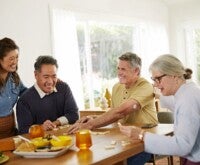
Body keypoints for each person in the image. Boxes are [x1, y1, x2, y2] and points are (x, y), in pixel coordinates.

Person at [68, 52, 158, 165]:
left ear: (136, 71)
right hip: (123, 138)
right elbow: (114, 114)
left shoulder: (146, 86)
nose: (119, 72)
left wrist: (88, 125)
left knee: (118, 162)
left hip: (144, 141)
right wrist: (94, 118)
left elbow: (121, 112)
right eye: (118, 68)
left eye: (124, 69)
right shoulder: (116, 87)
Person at [119, 54, 200, 165]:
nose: (155, 85)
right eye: (153, 80)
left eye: (158, 79)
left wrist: (141, 135)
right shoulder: (188, 91)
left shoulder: (188, 99)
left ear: (174, 76)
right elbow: (175, 103)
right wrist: (159, 95)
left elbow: (182, 145)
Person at [16, 55, 79, 134]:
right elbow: (23, 130)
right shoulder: (24, 100)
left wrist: (55, 123)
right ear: (36, 75)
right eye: (46, 77)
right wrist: (41, 127)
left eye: (54, 76)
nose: (50, 81)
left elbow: (74, 115)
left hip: (66, 138)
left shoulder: (63, 88)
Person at [0, 37, 27, 139]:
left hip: (11, 134)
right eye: (11, 58)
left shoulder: (14, 78)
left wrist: (44, 83)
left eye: (16, 57)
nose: (15, 61)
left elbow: (26, 93)